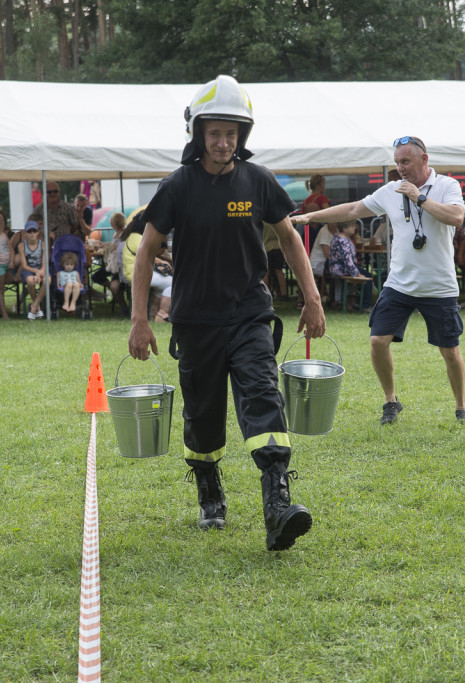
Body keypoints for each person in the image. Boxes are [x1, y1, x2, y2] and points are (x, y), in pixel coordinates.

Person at [128, 75, 325, 551]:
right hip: (195, 321)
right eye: (214, 133)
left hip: (249, 316)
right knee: (203, 415)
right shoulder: (177, 185)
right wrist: (139, 319)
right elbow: (145, 249)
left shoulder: (258, 181)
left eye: (231, 134)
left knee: (262, 396)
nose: (222, 143)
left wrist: (312, 298)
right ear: (198, 134)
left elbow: (293, 239)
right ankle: (209, 490)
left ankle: (277, 503)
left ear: (243, 137)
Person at [293, 134, 465, 426]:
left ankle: (461, 406)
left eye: (406, 161)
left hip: (439, 287)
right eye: (397, 162)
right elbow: (351, 210)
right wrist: (310, 217)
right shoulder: (390, 190)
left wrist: (419, 197)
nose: (400, 167)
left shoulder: (446, 186)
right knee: (377, 340)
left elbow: (456, 217)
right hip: (399, 284)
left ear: (424, 160)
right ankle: (391, 401)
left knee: (450, 350)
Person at [122, 210, 171, 323]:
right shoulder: (137, 237)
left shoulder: (134, 236)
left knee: (162, 286)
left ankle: (153, 314)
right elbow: (147, 254)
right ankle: (162, 313)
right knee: (172, 283)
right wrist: (163, 262)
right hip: (136, 274)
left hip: (133, 273)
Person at [327, 221, 374, 311]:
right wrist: (357, 274)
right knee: (368, 277)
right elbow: (347, 260)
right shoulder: (342, 241)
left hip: (339, 267)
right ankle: (364, 306)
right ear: (344, 229)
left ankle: (357, 303)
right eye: (352, 226)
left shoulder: (339, 237)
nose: (355, 228)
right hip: (341, 269)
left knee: (366, 274)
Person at [16, 220, 46, 319]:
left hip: (41, 269)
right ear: (25, 233)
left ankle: (35, 306)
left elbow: (44, 263)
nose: (32, 233)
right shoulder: (21, 246)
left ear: (38, 232)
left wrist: (39, 274)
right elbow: (24, 265)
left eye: (34, 231)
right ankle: (38, 307)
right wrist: (37, 273)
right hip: (28, 269)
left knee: (47, 280)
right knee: (30, 281)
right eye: (29, 231)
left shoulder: (43, 245)